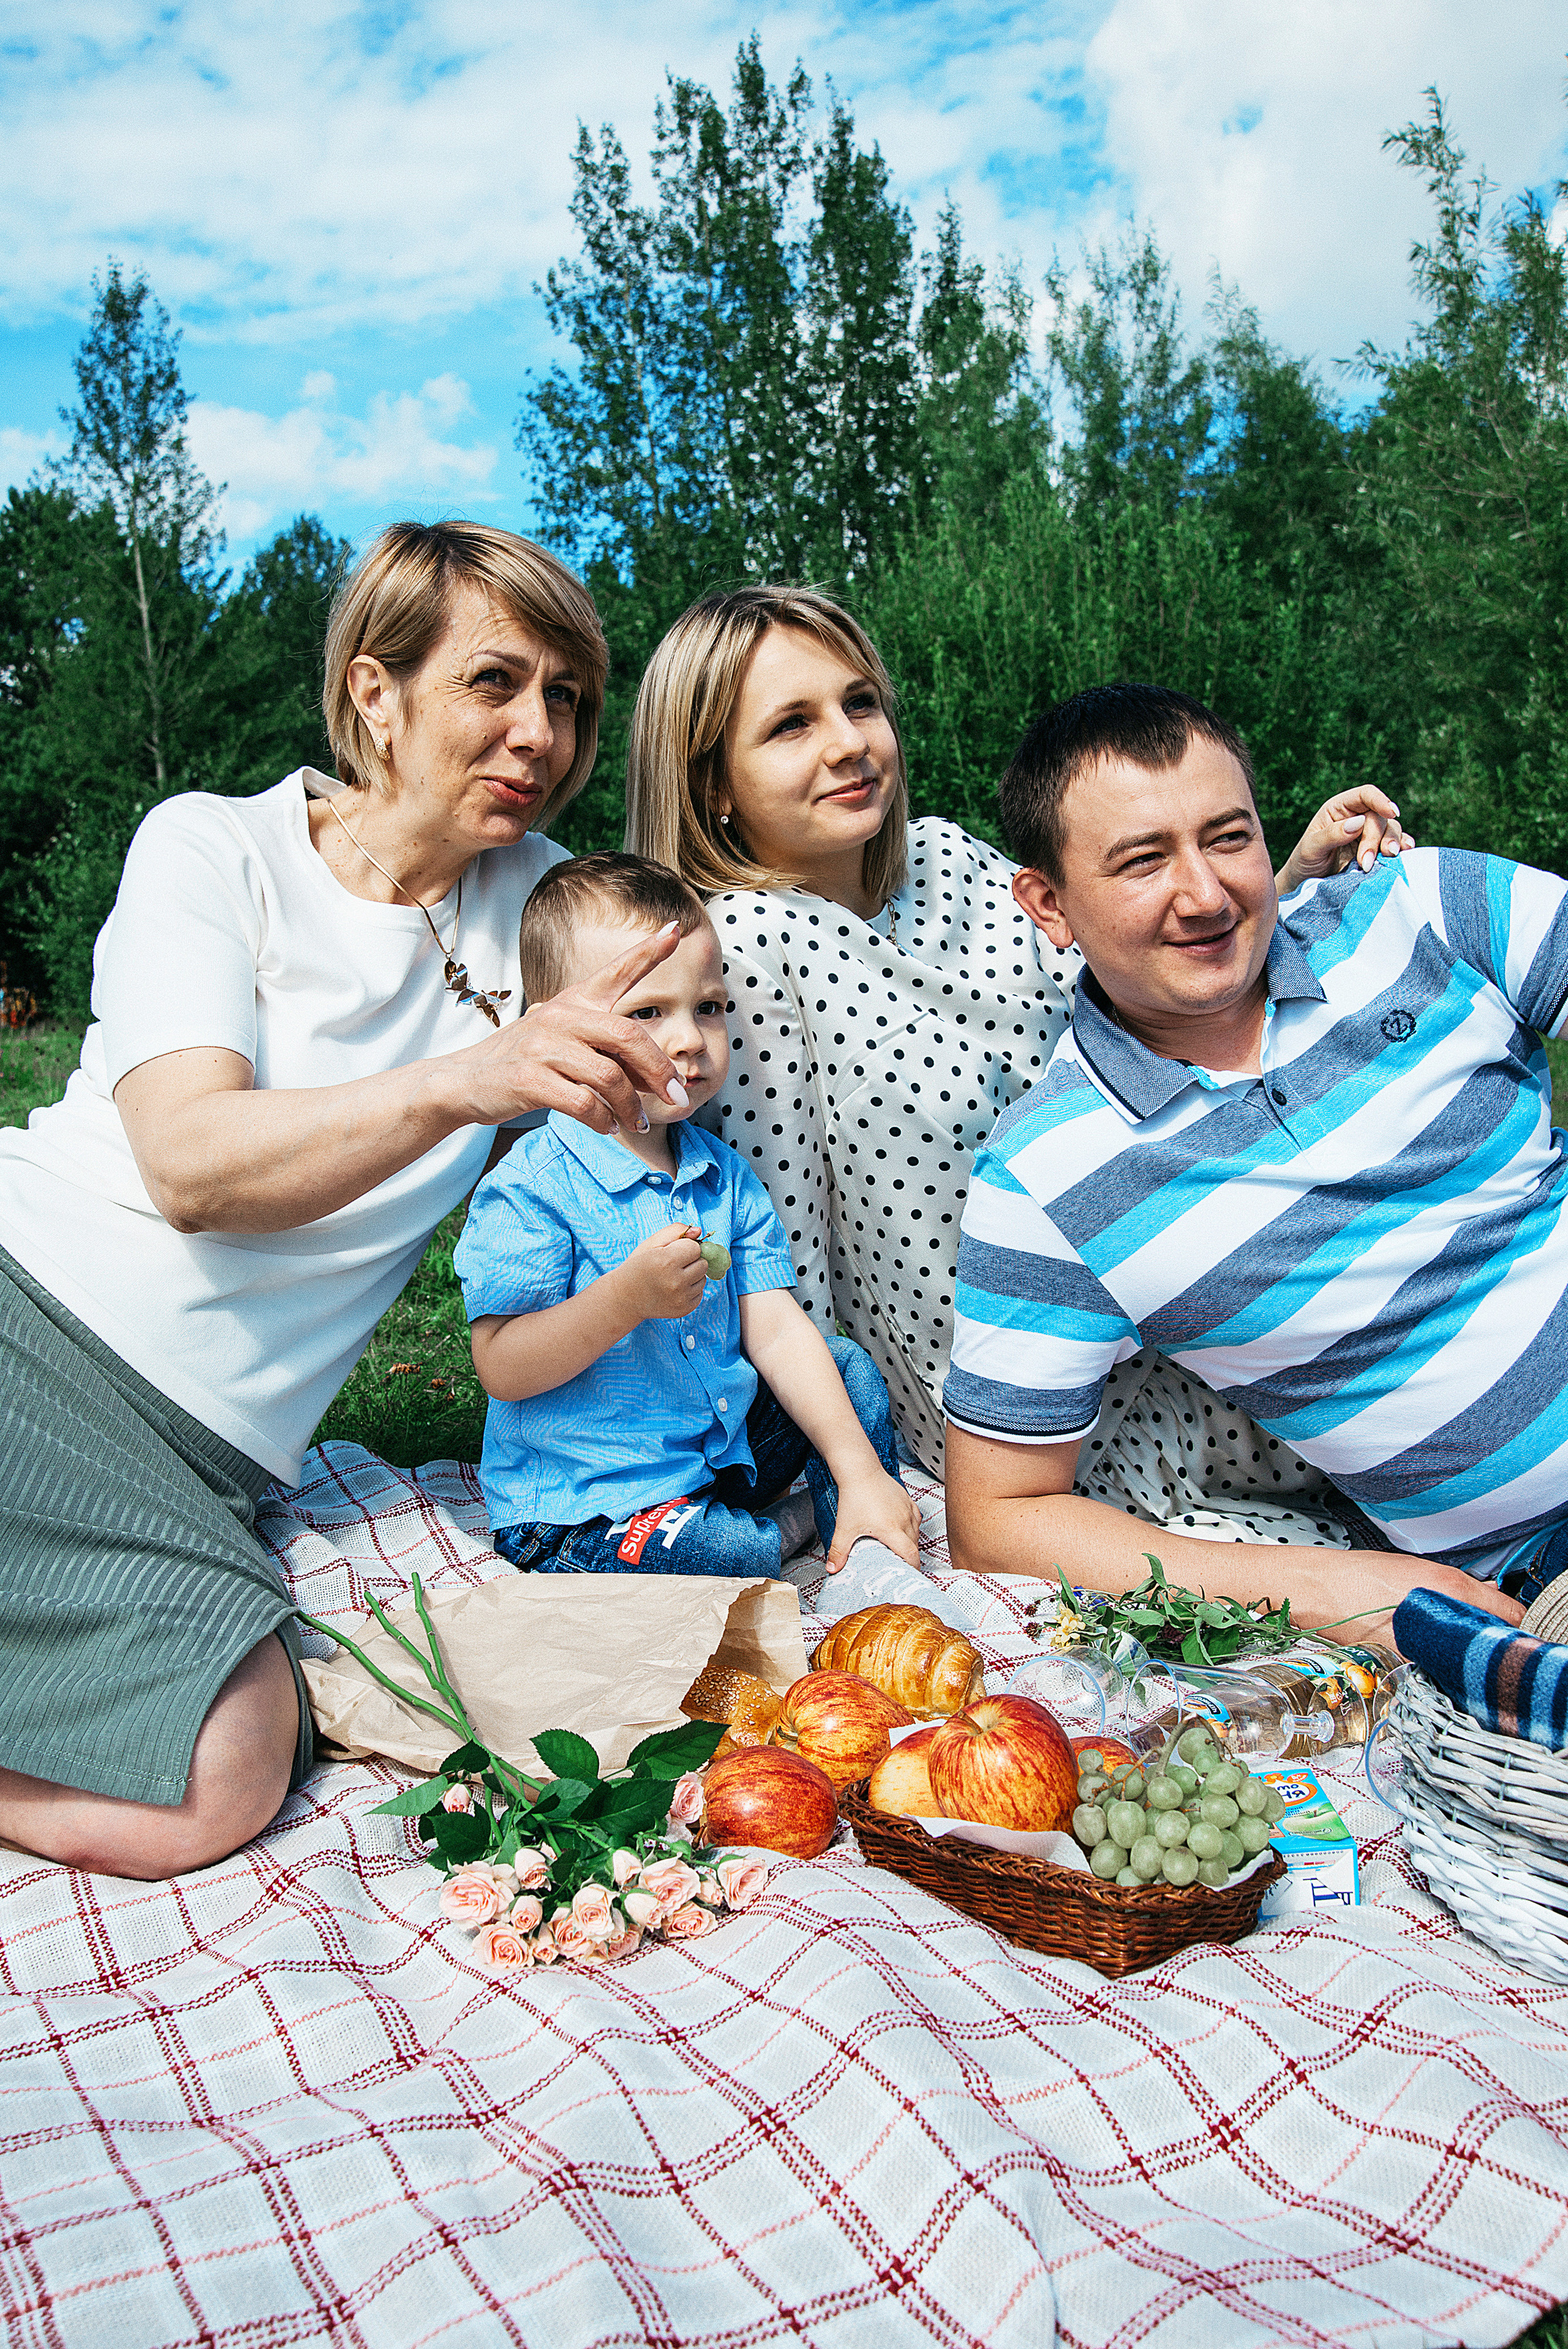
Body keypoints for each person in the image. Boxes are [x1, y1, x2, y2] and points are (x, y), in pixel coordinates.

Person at [0, 521, 697, 1881]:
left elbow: (713, 947)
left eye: (566, 698)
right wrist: (468, 1079)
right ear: (374, 694)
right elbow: (193, 1167)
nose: (538, 731)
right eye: (493, 683)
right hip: (28, 1317)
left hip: (195, 1465)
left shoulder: (543, 914)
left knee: (222, 1778)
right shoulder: (215, 848)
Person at [624, 583, 1411, 1553]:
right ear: (713, 785)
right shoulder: (738, 952)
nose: (848, 742)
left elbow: (1122, 979)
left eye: (859, 702)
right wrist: (851, 1469)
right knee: (1357, 1452)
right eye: (792, 724)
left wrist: (1281, 885)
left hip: (1157, 1266)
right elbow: (779, 1255)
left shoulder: (945, 857)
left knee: (1403, 1347)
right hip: (1017, 1384)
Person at [943, 681, 1545, 1641]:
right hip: (1539, 1565)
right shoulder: (1047, 1177)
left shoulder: (1423, 906)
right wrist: (1324, 1589)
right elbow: (997, 1516)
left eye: (1229, 838)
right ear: (1048, 904)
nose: (1207, 893)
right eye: (1143, 861)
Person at [454, 854, 921, 1579]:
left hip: (715, 1463)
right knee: (727, 1553)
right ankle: (781, 1533)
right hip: (588, 1510)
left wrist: (856, 1466)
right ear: (557, 1030)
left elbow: (774, 1328)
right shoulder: (534, 1186)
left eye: (707, 1006)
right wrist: (625, 1299)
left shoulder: (722, 1174)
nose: (688, 1040)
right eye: (646, 1013)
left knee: (842, 1363)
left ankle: (864, 1527)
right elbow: (502, 1366)